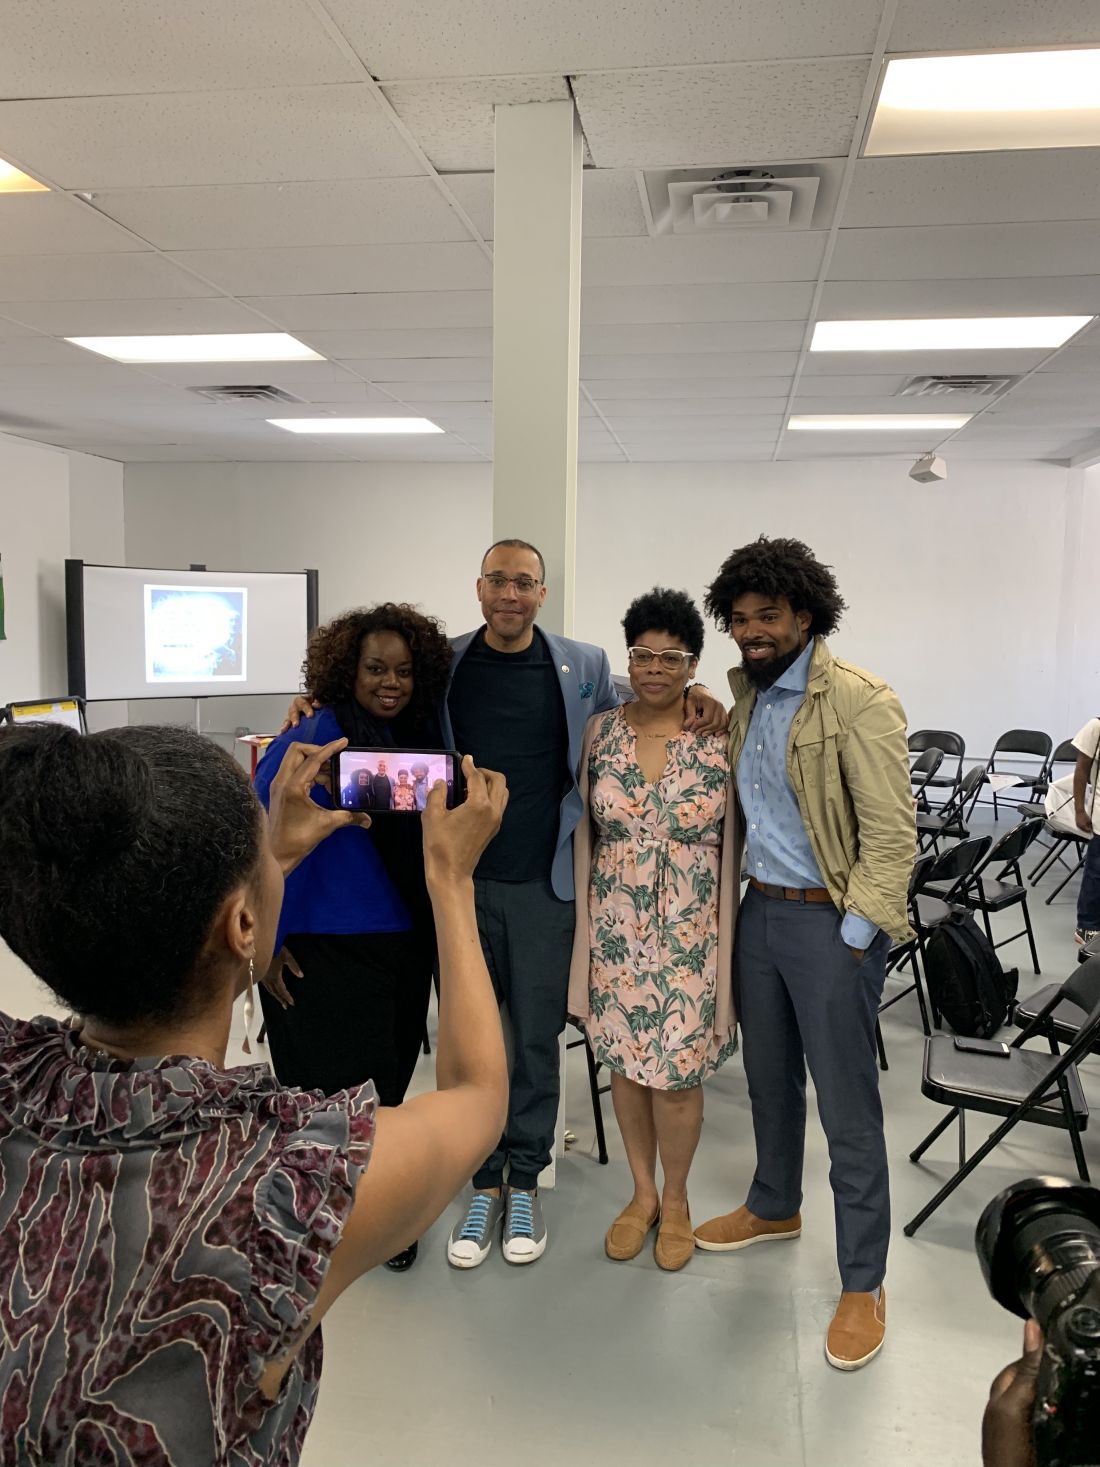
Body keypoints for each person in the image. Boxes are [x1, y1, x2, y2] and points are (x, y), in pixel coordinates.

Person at [0, 722, 509, 1465]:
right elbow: (476, 1094)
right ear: (241, 920)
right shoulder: (283, 1180)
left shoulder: (13, 1069)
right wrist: (450, 878)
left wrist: (266, 859)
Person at [283, 539, 727, 1269]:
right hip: (460, 886)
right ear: (480, 588)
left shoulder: (581, 665)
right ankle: (479, 1180)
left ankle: (525, 1174)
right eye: (499, 581)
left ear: (542, 593)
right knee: (465, 1038)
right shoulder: (445, 664)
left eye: (525, 581)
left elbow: (646, 696)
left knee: (531, 1041)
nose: (511, 593)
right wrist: (313, 704)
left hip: (545, 887)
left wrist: (702, 694)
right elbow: (379, 701)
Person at [694, 536, 915, 1370]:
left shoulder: (858, 700)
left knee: (848, 1110)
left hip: (832, 923)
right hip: (760, 915)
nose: (751, 631)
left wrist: (857, 936)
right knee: (767, 1081)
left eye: (768, 617)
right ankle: (773, 1203)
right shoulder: (746, 694)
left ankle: (864, 1281)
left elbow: (894, 836)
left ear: (806, 615)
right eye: (740, 619)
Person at [256, 602, 452, 1271]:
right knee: (322, 1103)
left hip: (403, 943)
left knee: (387, 1092)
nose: (390, 681)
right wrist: (264, 943)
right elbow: (258, 841)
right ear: (349, 669)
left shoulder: (423, 737)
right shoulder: (312, 739)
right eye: (375, 668)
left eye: (402, 670)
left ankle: (385, 1216)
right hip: (319, 946)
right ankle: (321, 1220)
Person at [568, 588, 739, 1271]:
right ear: (629, 657)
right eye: (643, 654)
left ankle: (678, 1197)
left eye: (672, 657)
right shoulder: (600, 732)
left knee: (676, 1076)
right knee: (625, 1068)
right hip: (614, 927)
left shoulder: (720, 734)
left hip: (694, 932)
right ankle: (641, 1194)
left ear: (694, 664)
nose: (656, 667)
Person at [1071, 713, 1100, 946]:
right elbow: (1081, 771)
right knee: (1096, 873)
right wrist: (1079, 810)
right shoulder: (1096, 726)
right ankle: (1087, 925)